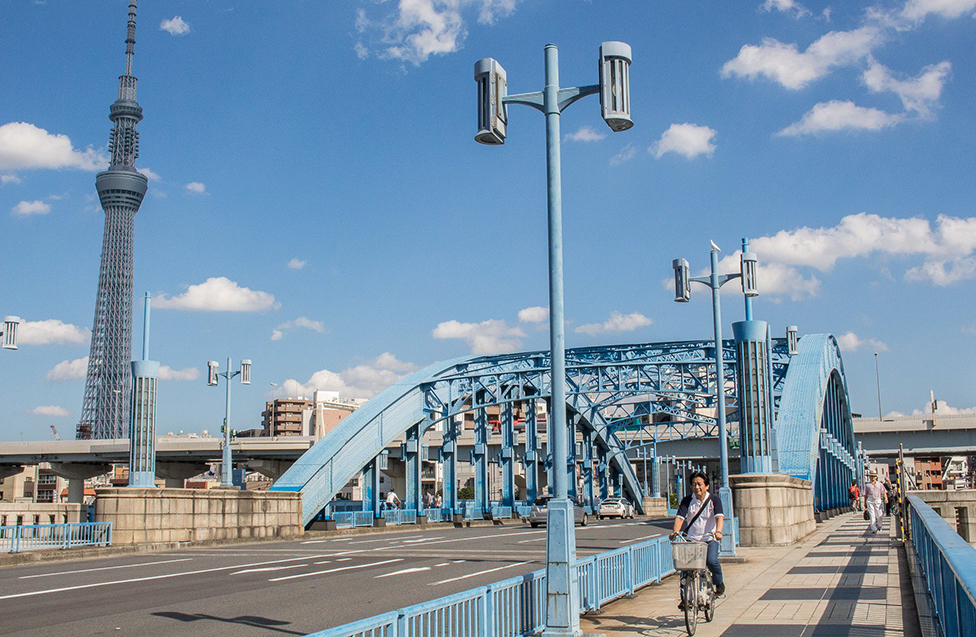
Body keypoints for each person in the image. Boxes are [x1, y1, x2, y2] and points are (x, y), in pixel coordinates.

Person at [669, 471, 725, 605]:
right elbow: (680, 518)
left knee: (711, 561)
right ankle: (685, 599)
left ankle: (719, 583)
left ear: (707, 486)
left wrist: (718, 532)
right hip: (691, 539)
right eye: (694, 484)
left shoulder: (714, 500)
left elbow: (719, 518)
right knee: (685, 568)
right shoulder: (687, 501)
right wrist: (675, 532)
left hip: (709, 538)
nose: (697, 487)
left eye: (699, 484)